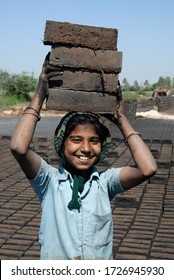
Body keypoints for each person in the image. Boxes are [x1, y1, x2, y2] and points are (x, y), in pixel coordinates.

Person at [10, 53, 157, 260]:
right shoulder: (48, 181)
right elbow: (18, 147)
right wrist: (40, 95)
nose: (86, 148)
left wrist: (121, 119)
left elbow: (148, 168)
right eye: (76, 140)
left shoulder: (105, 183)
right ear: (63, 144)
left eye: (94, 141)